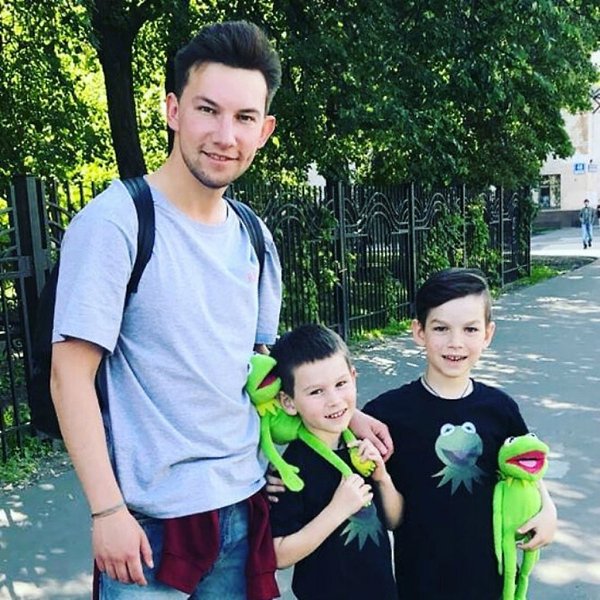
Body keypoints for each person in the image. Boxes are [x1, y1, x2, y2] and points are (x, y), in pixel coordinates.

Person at [50, 20, 391, 599]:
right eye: (208, 110)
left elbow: (260, 371)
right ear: (173, 110)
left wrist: (344, 414)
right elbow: (69, 376)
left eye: (244, 117)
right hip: (148, 526)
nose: (225, 135)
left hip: (245, 506)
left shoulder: (254, 236)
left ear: (265, 130)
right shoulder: (117, 223)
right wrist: (106, 511)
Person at [362, 268, 557, 600]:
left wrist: (548, 509)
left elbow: (526, 468)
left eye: (470, 329)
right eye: (441, 328)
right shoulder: (385, 414)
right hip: (418, 585)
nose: (455, 342)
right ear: (419, 331)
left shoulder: (500, 409)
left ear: (488, 334)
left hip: (490, 583)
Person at [268, 324, 403, 600]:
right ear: (288, 402)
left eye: (341, 384)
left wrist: (382, 478)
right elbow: (278, 554)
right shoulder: (290, 469)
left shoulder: (361, 449)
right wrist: (337, 510)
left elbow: (394, 520)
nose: (334, 400)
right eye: (316, 392)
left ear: (353, 377)